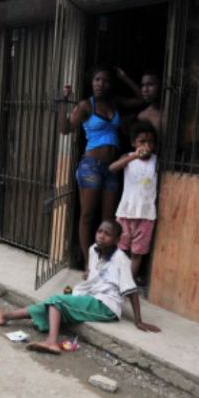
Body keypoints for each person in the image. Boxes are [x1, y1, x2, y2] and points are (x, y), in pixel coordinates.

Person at [0, 220, 161, 354]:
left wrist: (138, 320)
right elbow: (94, 274)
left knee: (57, 301)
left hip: (106, 305)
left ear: (117, 239)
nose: (101, 236)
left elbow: (131, 290)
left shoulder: (121, 259)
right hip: (91, 296)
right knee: (50, 304)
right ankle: (5, 316)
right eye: (99, 231)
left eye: (107, 234)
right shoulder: (94, 249)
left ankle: (52, 342)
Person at [62, 66, 143, 277]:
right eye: (97, 79)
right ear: (92, 82)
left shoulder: (114, 103)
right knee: (88, 215)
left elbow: (140, 99)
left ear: (110, 84)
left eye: (105, 80)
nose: (100, 84)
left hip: (111, 167)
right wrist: (63, 103)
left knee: (108, 219)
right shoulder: (85, 106)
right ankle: (89, 265)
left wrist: (124, 76)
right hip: (91, 166)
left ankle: (104, 262)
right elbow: (65, 129)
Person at [109, 121, 158, 284]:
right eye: (142, 141)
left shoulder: (157, 162)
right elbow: (112, 168)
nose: (147, 145)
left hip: (146, 216)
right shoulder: (128, 158)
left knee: (137, 253)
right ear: (133, 143)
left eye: (150, 141)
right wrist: (134, 156)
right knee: (120, 249)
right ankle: (115, 280)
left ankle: (126, 284)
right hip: (126, 212)